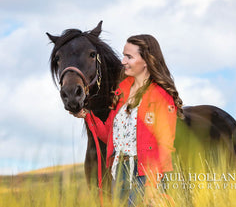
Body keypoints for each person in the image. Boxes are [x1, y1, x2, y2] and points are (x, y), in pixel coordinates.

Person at [72, 34, 183, 206]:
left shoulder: (161, 96)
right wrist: (87, 115)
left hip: (144, 174)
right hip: (119, 173)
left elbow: (164, 145)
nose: (122, 61)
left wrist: (152, 187)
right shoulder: (122, 92)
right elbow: (109, 135)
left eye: (129, 57)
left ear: (146, 60)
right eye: (124, 55)